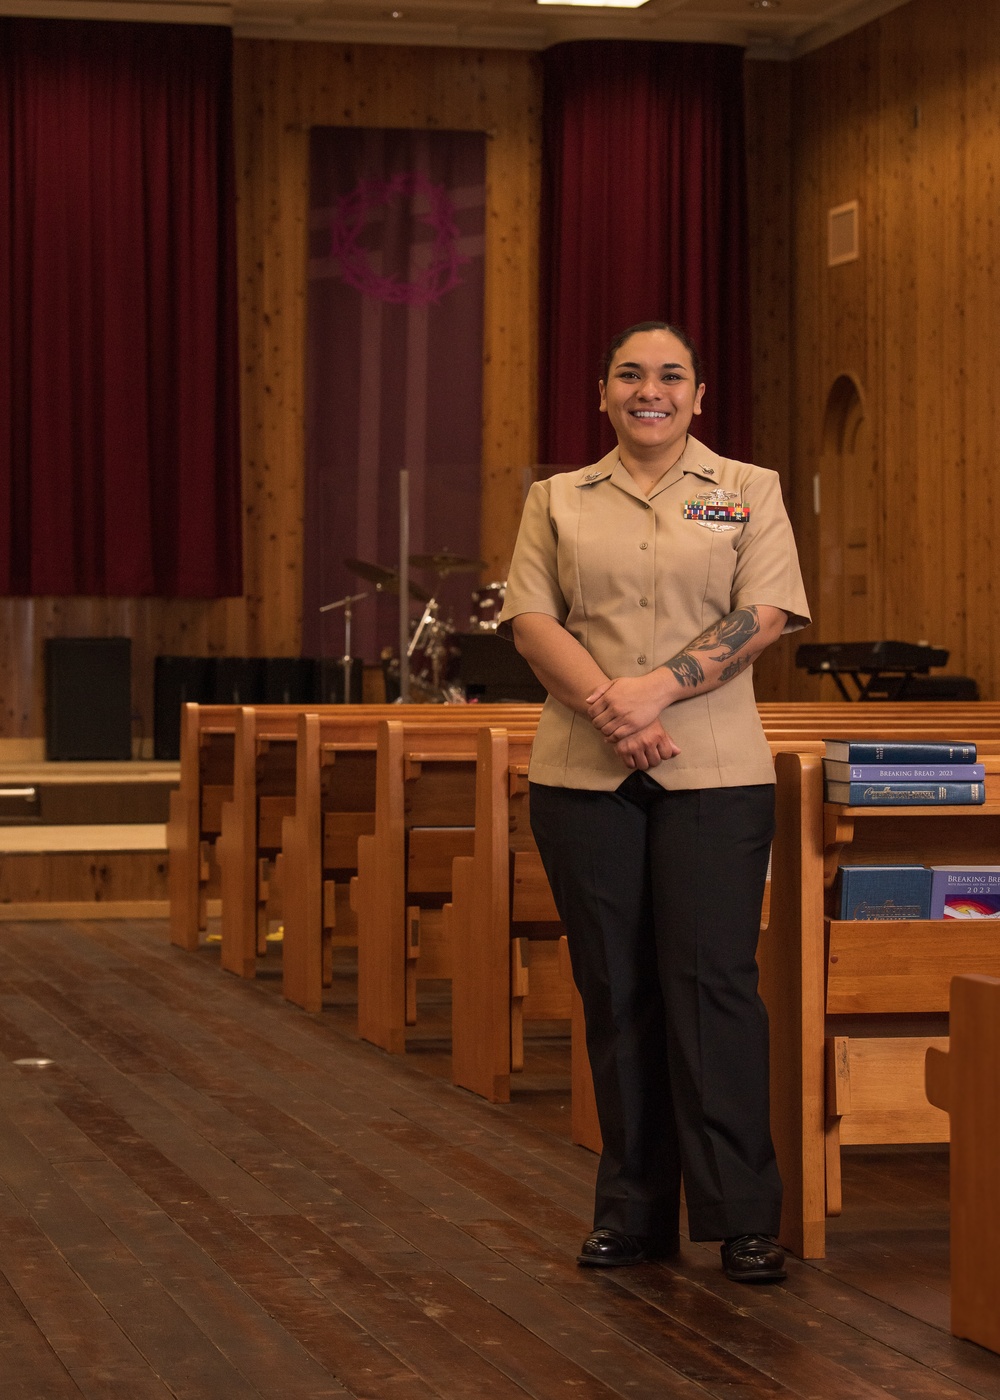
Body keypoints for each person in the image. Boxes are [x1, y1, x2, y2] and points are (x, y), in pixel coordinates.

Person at [497, 321, 810, 1284]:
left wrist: (659, 690)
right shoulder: (556, 499)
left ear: (698, 396)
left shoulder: (746, 489)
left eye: (671, 375)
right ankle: (632, 1211)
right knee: (616, 993)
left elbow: (765, 614)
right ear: (602, 393)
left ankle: (744, 1216)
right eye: (630, 374)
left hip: (714, 774)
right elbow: (529, 618)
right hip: (584, 774)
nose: (651, 389)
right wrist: (613, 706)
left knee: (714, 990)